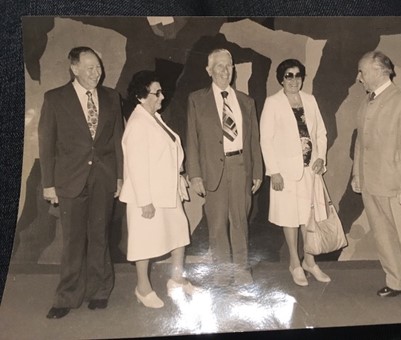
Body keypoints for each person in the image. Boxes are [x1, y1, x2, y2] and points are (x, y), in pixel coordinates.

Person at [39, 46, 123, 319]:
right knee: (73, 242)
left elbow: (117, 142)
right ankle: (66, 297)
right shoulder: (54, 98)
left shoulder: (112, 97)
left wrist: (120, 176)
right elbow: (47, 143)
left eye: (98, 67)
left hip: (104, 179)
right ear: (73, 68)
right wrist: (48, 184)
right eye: (89, 67)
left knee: (99, 238)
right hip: (69, 180)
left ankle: (99, 291)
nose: (95, 72)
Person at [352, 51, 401, 310]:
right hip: (371, 183)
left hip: (398, 186)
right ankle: (398, 281)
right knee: (384, 238)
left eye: (362, 72)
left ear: (379, 71)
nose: (359, 78)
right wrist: (357, 175)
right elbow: (361, 144)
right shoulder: (366, 102)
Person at [185, 48, 263, 286]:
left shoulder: (246, 101)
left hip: (241, 166)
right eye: (219, 65)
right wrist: (195, 174)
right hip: (213, 170)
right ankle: (221, 274)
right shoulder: (197, 100)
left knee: (240, 221)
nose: (225, 70)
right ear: (209, 70)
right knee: (217, 224)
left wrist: (257, 171)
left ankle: (241, 272)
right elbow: (192, 139)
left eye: (229, 66)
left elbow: (253, 140)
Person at [120, 70, 196, 308]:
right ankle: (142, 288)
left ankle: (176, 278)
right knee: (144, 242)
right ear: (142, 96)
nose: (162, 97)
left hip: (167, 191)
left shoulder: (154, 118)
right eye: (157, 92)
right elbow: (136, 166)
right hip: (148, 196)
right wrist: (145, 202)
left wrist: (179, 178)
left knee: (179, 234)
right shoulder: (137, 124)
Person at [260, 59, 331, 287]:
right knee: (290, 217)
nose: (294, 80)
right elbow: (266, 140)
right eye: (289, 75)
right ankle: (294, 263)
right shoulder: (273, 103)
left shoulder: (310, 100)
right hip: (286, 172)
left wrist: (320, 157)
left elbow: (321, 132)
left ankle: (310, 260)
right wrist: (274, 172)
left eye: (298, 75)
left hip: (311, 170)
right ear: (281, 79)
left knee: (308, 216)